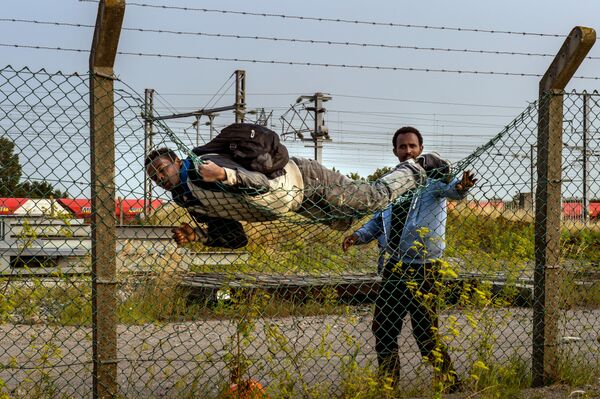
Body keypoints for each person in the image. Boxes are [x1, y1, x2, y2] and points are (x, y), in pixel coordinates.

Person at [342, 126, 477, 391]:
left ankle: (451, 383)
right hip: (394, 267)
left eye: (412, 146)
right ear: (395, 151)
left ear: (420, 150)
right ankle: (388, 386)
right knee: (383, 328)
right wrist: (358, 236)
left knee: (425, 334)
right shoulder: (391, 183)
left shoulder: (433, 180)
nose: (408, 151)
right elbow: (378, 221)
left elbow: (454, 190)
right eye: (402, 147)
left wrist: (462, 186)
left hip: (424, 269)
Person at [144, 146, 446, 248]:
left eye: (161, 168)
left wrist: (225, 176)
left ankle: (419, 165)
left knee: (373, 197)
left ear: (176, 161)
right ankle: (408, 189)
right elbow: (235, 237)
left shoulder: (201, 167)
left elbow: (258, 180)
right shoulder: (189, 199)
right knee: (345, 221)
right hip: (298, 203)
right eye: (154, 177)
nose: (159, 178)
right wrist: (199, 235)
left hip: (304, 178)